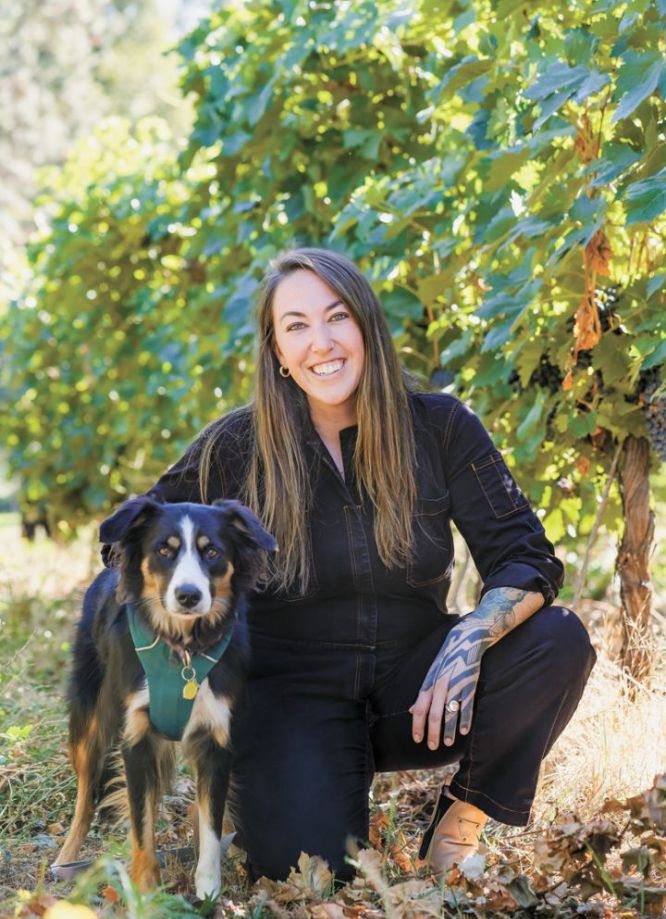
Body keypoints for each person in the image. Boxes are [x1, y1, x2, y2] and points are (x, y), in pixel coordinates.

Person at [107, 247, 596, 883]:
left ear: (366, 325)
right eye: (296, 326)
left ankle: (459, 824)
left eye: (336, 317)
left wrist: (469, 641)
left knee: (557, 639)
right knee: (312, 876)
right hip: (286, 695)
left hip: (417, 687)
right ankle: (277, 794)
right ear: (278, 351)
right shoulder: (235, 445)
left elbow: (525, 556)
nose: (321, 342)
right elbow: (133, 539)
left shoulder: (441, 426)